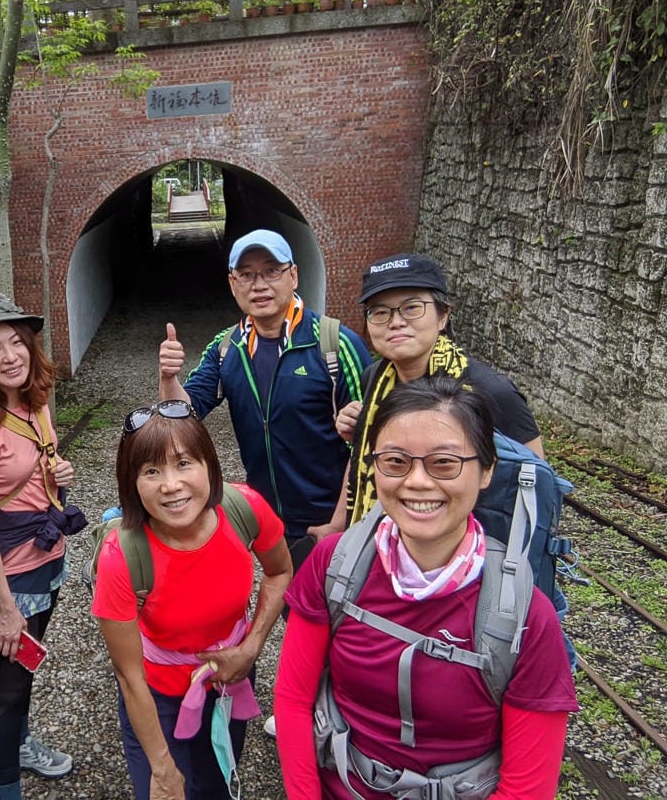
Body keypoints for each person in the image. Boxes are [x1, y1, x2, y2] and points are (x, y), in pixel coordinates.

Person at [274, 378, 577, 799]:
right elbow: (292, 699)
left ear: (486, 470)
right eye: (396, 461)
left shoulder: (524, 615)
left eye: (444, 463)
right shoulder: (335, 565)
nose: (416, 482)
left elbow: (527, 786)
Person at [92, 400, 292, 800]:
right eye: (151, 471)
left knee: (216, 788)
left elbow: (280, 570)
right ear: (131, 483)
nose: (170, 484)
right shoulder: (120, 557)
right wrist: (163, 768)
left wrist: (251, 647)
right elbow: (130, 677)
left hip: (229, 681)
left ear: (209, 466)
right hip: (156, 697)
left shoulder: (244, 508)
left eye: (184, 463)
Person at [158, 229, 372, 573]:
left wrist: (338, 522)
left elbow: (370, 441)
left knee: (335, 615)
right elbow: (182, 416)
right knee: (291, 607)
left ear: (294, 275)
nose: (259, 285)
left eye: (272, 271)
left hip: (330, 519)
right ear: (232, 283)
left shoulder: (334, 343)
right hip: (267, 517)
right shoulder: (227, 347)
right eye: (247, 274)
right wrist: (169, 378)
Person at [0, 291, 85, 800]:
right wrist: (5, 609)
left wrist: (59, 473)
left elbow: (40, 475)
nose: (10, 357)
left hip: (49, 556)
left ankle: (22, 745)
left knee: (25, 668)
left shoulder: (35, 402)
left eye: (16, 343)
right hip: (13, 573)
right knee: (7, 690)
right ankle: (7, 788)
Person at [315, 252, 544, 535]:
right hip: (378, 540)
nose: (395, 322)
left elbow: (536, 486)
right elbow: (365, 458)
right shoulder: (375, 379)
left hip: (471, 551)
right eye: (380, 312)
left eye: (411, 308)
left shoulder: (489, 391)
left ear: (442, 316)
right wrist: (338, 526)